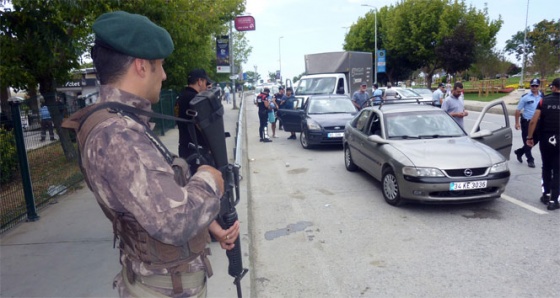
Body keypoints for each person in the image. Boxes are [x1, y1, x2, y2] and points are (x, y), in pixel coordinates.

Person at [82, 11, 239, 296]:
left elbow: (153, 199)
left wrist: (207, 223)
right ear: (142, 66)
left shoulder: (120, 122)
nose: (165, 75)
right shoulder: (119, 134)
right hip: (164, 289)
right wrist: (209, 180)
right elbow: (172, 220)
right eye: (161, 66)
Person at [526, 77, 560, 210]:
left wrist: (530, 137)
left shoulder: (543, 101)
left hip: (546, 139)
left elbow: (533, 121)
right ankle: (554, 201)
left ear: (555, 87)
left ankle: (545, 194)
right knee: (557, 170)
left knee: (546, 167)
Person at [175, 68, 212, 162]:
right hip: (197, 151)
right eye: (205, 82)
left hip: (184, 147)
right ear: (199, 81)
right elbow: (204, 126)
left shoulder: (181, 97)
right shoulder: (196, 100)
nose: (205, 86)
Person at [514, 78, 543, 168]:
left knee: (536, 140)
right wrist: (517, 123)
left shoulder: (542, 96)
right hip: (527, 122)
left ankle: (520, 151)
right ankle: (530, 159)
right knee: (527, 141)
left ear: (539, 86)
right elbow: (518, 110)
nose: (534, 87)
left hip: (538, 122)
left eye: (536, 86)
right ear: (530, 86)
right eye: (532, 85)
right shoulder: (525, 97)